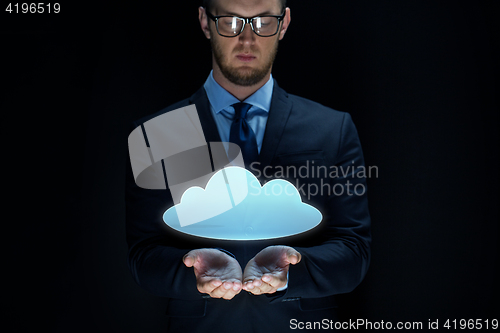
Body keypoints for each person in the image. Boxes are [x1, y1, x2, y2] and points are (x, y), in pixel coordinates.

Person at [125, 0, 371, 331]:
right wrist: (193, 272)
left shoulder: (332, 129)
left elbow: (354, 251)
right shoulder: (157, 134)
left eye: (263, 22)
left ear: (283, 23)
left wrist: (291, 271)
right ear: (204, 20)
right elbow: (143, 254)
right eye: (230, 21)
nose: (247, 39)